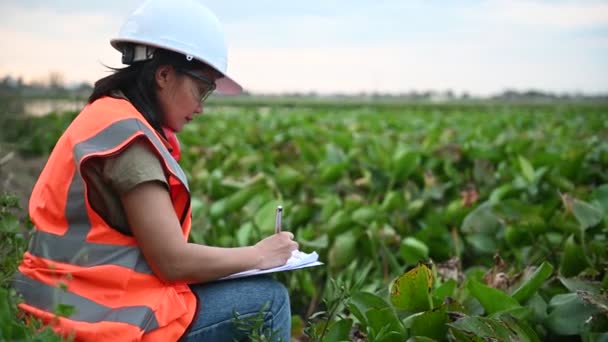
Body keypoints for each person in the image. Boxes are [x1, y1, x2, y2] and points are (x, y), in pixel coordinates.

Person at [12, 0, 298, 340]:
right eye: (201, 89)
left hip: (57, 303)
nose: (200, 107)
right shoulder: (128, 141)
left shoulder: (105, 117)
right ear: (164, 75)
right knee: (270, 300)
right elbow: (171, 261)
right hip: (96, 322)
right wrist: (259, 255)